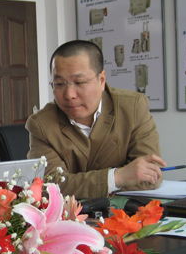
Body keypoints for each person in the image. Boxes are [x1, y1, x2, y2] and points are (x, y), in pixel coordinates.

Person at [27, 40, 166, 199]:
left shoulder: (132, 107)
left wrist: (76, 185)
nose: (69, 95)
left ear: (101, 80)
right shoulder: (41, 124)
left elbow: (150, 177)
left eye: (79, 82)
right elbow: (49, 187)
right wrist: (117, 177)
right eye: (59, 84)